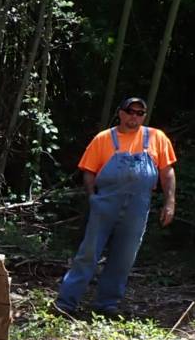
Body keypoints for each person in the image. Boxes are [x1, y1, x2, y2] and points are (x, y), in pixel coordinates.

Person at [55, 97, 176, 316]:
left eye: (140, 113)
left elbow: (167, 172)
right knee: (88, 254)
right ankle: (66, 303)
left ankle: (106, 305)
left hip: (137, 209)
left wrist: (170, 202)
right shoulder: (104, 139)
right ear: (120, 113)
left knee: (124, 257)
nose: (134, 117)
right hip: (104, 205)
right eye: (130, 111)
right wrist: (93, 197)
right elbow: (89, 172)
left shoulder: (157, 138)